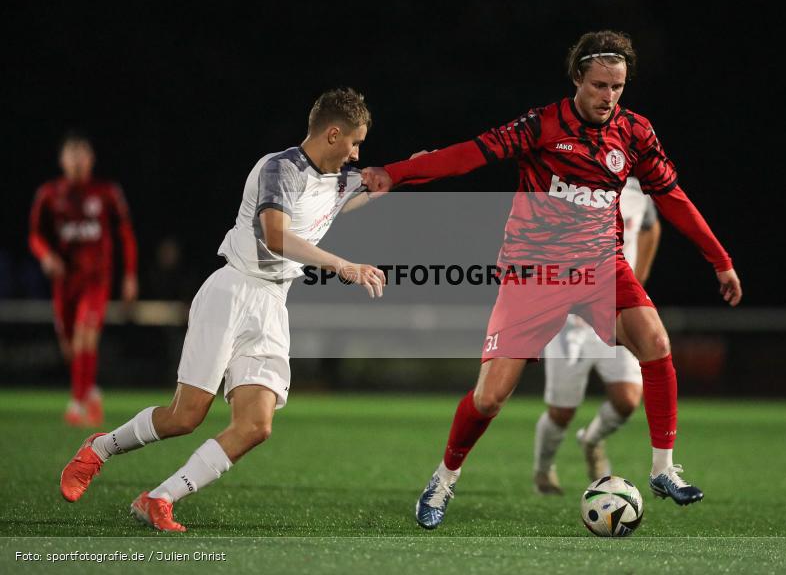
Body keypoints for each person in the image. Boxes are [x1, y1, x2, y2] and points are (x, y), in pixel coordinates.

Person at [362, 30, 742, 530]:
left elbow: (672, 197)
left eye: (618, 87)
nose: (609, 97)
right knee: (490, 398)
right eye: (600, 85)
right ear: (578, 79)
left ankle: (664, 469)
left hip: (601, 268)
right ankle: (444, 478)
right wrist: (394, 174)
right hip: (533, 273)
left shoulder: (635, 133)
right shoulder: (541, 126)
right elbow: (470, 154)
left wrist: (719, 259)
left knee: (655, 341)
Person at [59, 88, 386, 532]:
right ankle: (98, 449)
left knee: (256, 425)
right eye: (354, 142)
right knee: (184, 417)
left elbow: (374, 184)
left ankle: (160, 498)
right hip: (233, 291)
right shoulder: (280, 168)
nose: (356, 153)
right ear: (333, 134)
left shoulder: (334, 180)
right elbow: (275, 236)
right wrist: (342, 265)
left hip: (272, 304)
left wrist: (416, 169)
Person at [534, 177, 660, 494]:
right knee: (561, 412)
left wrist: (638, 279)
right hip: (570, 315)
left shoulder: (636, 190)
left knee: (628, 399)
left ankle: (591, 440)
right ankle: (544, 470)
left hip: (616, 310)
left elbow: (651, 227)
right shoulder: (567, 184)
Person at [29, 133, 138, 427]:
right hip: (65, 282)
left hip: (96, 279)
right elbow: (35, 235)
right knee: (69, 347)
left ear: (91, 159)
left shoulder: (106, 192)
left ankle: (77, 403)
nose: (77, 161)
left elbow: (125, 234)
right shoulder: (49, 194)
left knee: (84, 338)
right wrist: (46, 256)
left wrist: (129, 275)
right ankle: (91, 392)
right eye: (71, 155)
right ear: (62, 160)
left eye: (82, 154)